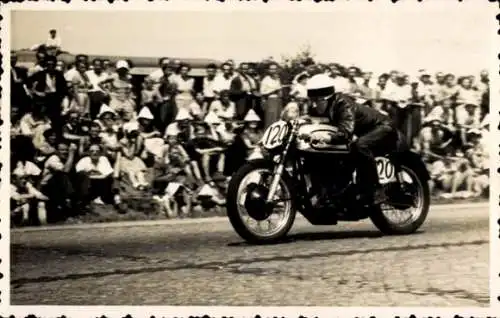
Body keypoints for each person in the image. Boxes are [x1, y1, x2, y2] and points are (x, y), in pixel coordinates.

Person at [305, 74, 398, 207]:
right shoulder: (318, 108)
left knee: (360, 145)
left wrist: (328, 137)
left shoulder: (343, 103)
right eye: (311, 100)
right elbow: (309, 120)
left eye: (317, 100)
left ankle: (375, 190)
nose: (313, 104)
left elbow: (346, 132)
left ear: (327, 98)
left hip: (382, 127)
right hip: (361, 131)